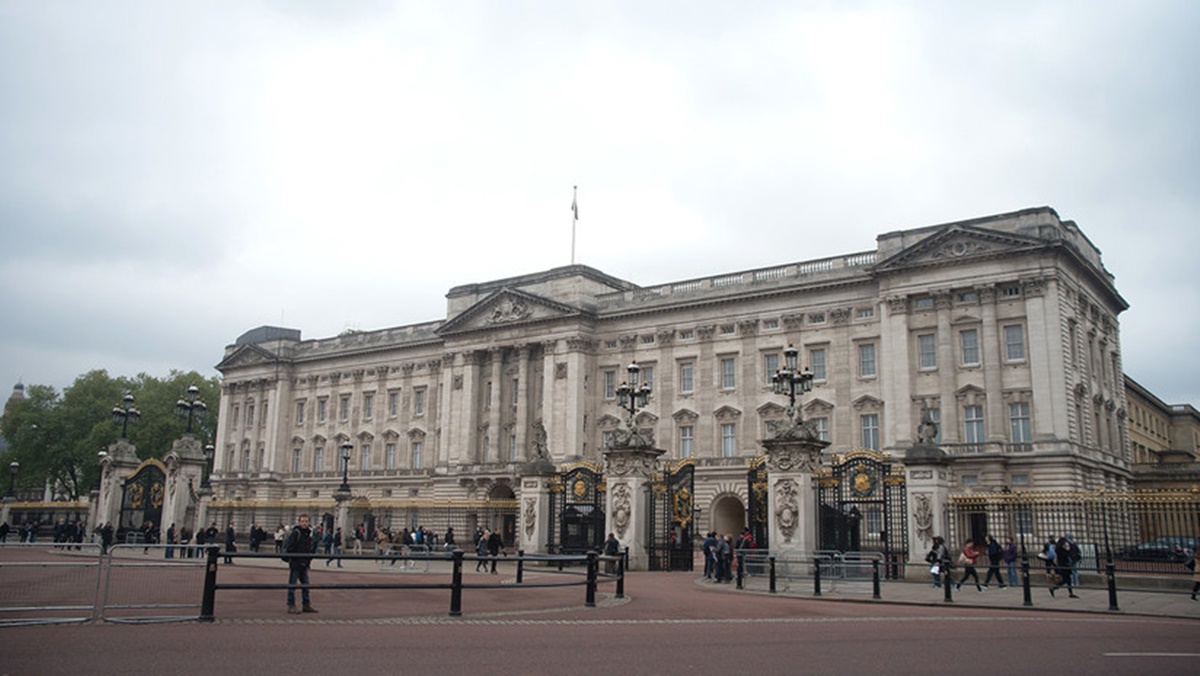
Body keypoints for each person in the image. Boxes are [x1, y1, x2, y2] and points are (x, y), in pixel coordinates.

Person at [283, 513, 318, 614]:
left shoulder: (308, 533)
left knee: (306, 585)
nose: (304, 523)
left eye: (306, 521)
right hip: (296, 563)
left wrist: (308, 560)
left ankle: (306, 604)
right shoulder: (296, 533)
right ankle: (291, 604)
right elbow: (290, 548)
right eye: (302, 521)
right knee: (292, 585)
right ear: (299, 522)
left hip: (304, 563)